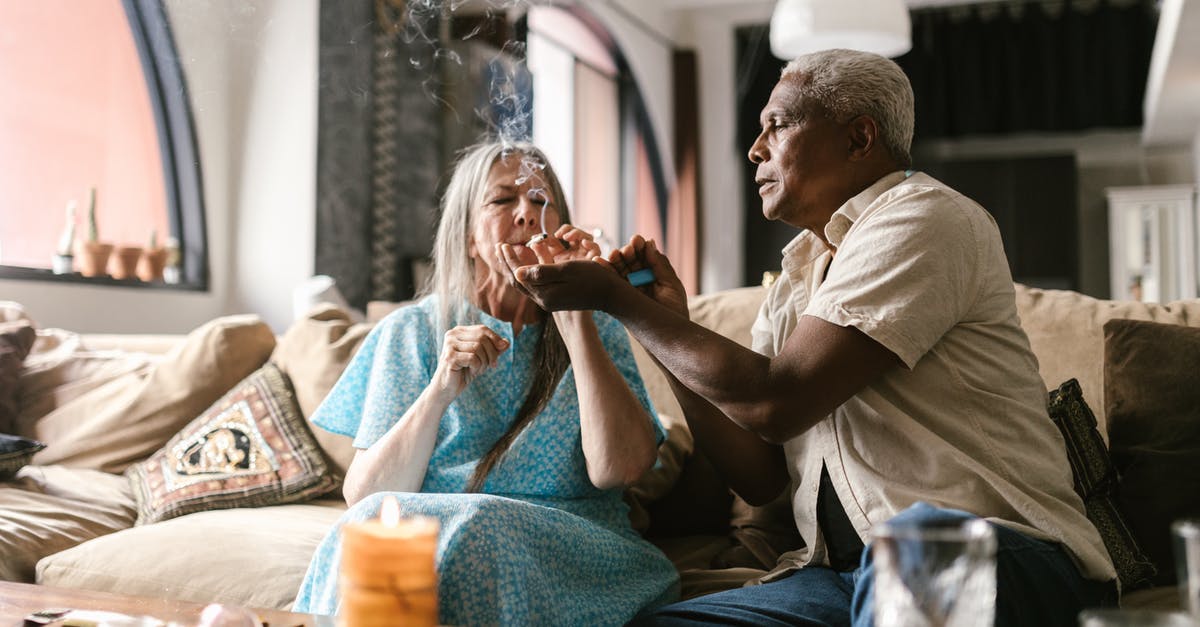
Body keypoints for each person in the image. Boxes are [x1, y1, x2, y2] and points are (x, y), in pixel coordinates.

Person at [500, 49, 1117, 626]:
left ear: (859, 136)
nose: (753, 149)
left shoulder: (924, 217)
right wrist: (672, 329)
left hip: (1004, 550)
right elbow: (761, 475)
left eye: (778, 126)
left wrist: (616, 300)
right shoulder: (797, 279)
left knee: (909, 556)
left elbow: (778, 398)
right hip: (841, 574)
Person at [292, 141, 678, 626]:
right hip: (436, 540)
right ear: (469, 237)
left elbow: (620, 470)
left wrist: (574, 314)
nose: (526, 215)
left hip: (571, 546)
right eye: (502, 201)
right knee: (370, 529)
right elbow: (368, 499)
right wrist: (439, 391)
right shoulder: (411, 331)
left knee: (481, 525)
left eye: (541, 201)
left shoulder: (597, 327)